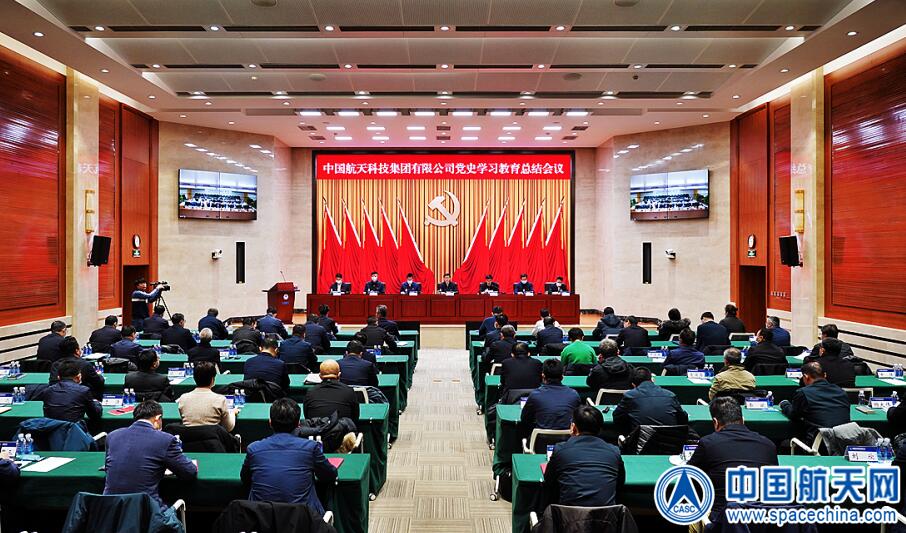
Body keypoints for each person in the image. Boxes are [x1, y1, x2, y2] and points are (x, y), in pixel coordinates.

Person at [241, 398, 337, 515]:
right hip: (302, 520)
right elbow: (330, 475)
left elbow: (245, 479)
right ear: (298, 424)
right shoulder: (310, 448)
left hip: (263, 520)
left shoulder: (253, 449)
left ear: (270, 423)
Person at [687, 397, 778, 518]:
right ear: (743, 420)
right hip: (764, 520)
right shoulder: (769, 444)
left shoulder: (708, 443)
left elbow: (689, 476)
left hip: (723, 521)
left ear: (715, 422)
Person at [104, 400, 198, 508]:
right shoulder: (165, 440)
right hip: (145, 511)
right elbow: (189, 472)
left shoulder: (112, 436)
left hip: (109, 510)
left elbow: (108, 468)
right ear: (158, 418)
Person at [543, 405, 624, 508]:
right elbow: (620, 483)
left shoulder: (560, 450)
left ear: (573, 427)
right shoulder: (614, 451)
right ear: (600, 430)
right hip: (606, 517)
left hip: (567, 517)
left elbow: (549, 481)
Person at [779, 361, 850, 444]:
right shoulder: (841, 391)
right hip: (845, 440)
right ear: (825, 375)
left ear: (806, 377)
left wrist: (784, 404)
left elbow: (793, 414)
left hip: (820, 443)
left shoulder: (803, 393)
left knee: (784, 443)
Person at [612, 367, 688, 436]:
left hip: (641, 443)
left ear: (633, 385)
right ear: (652, 380)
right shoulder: (670, 395)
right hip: (671, 442)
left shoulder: (630, 396)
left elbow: (617, 418)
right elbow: (683, 419)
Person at [520, 359, 581, 439]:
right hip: (567, 443)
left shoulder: (535, 395)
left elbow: (525, 419)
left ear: (543, 376)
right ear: (562, 377)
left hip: (539, 443)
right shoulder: (574, 394)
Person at [34, 359, 102, 425]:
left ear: (58, 378)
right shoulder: (84, 391)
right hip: (73, 431)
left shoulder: (47, 391)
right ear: (78, 377)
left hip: (51, 431)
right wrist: (96, 403)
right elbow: (95, 415)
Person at [177, 361, 237, 432]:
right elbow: (228, 427)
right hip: (213, 438)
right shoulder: (220, 400)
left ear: (194, 378)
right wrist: (233, 413)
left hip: (188, 438)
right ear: (212, 379)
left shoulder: (183, 398)